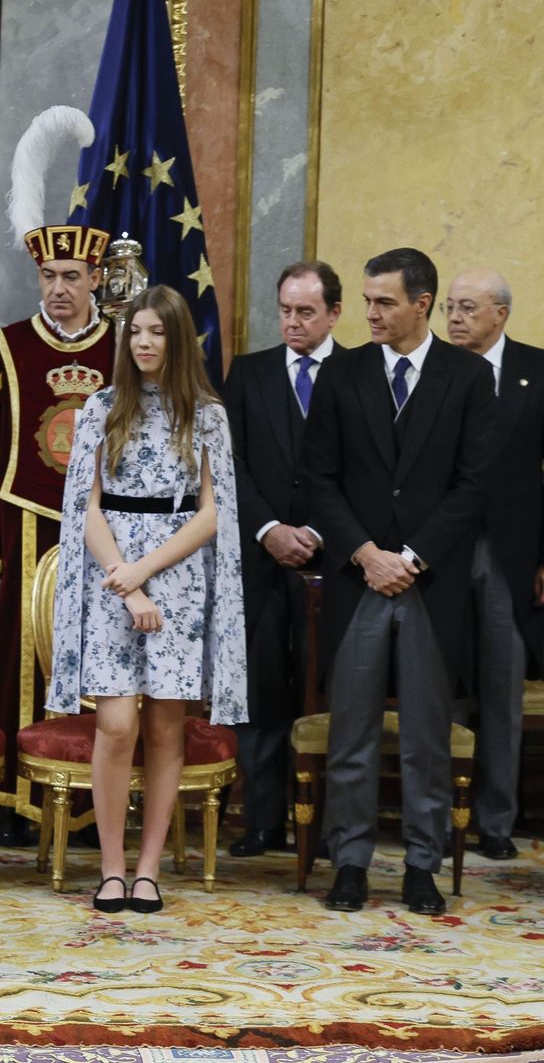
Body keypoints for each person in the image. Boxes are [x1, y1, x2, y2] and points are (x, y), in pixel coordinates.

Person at [302, 248, 495, 916]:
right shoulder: (342, 373)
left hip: (428, 585)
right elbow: (317, 481)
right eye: (367, 300)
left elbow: (474, 486)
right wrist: (364, 553)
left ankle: (421, 865)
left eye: (384, 301)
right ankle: (349, 861)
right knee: (351, 731)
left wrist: (410, 557)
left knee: (425, 737)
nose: (370, 313)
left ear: (422, 303)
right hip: (359, 581)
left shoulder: (469, 378)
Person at [46, 284, 246, 914]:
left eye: (157, 332)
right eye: (136, 332)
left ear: (177, 339)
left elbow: (213, 514)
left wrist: (146, 575)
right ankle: (109, 868)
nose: (144, 343)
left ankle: (149, 870)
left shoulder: (207, 414)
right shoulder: (102, 407)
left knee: (164, 729)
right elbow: (86, 506)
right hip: (112, 583)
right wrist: (123, 578)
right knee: (116, 724)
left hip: (178, 580)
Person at [0, 221, 115, 847]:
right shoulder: (6, 348)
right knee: (22, 662)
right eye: (49, 277)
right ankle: (20, 804)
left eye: (72, 277)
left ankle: (98, 806)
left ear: (97, 279)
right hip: (24, 529)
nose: (60, 289)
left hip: (112, 534)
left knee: (104, 659)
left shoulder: (128, 347)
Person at [222, 261, 341, 857]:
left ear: (334, 314)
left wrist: (320, 530)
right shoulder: (248, 373)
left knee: (330, 693)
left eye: (306, 313)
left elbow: (370, 469)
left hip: (338, 562)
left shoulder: (362, 372)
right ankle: (264, 819)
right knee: (263, 691)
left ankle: (325, 828)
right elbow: (227, 465)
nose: (292, 323)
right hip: (261, 562)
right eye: (285, 311)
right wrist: (269, 529)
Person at [444, 269, 544, 862]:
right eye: (451, 308)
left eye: (468, 309)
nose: (456, 319)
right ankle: (438, 811)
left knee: (502, 686)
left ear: (500, 314)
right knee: (445, 684)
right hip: (443, 551)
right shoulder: (435, 369)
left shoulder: (538, 371)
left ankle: (497, 819)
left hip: (511, 551)